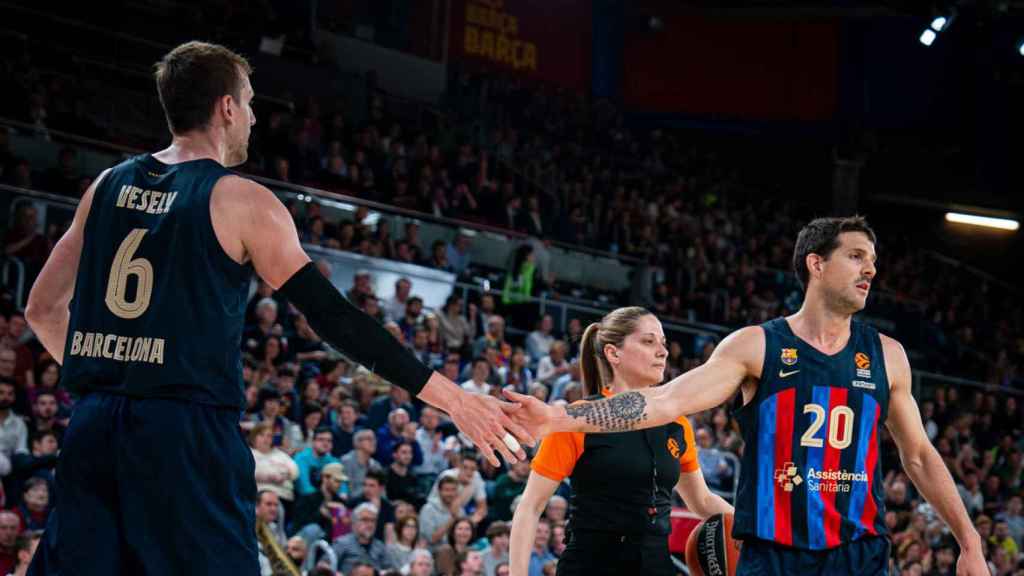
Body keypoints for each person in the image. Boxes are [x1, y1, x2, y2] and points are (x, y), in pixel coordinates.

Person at [23, 41, 532, 575]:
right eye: (248, 101)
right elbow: (335, 319)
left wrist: (110, 379)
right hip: (184, 434)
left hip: (94, 425)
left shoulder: (106, 185)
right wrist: (453, 399)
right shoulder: (240, 200)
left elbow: (41, 308)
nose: (253, 116)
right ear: (225, 108)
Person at [509, 216, 988, 576]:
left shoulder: (888, 356)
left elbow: (919, 455)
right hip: (773, 552)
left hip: (858, 551)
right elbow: (665, 402)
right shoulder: (756, 346)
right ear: (816, 264)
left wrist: (969, 542)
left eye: (874, 261)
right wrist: (559, 416)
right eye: (857, 256)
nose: (871, 270)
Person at [509, 307, 732, 575]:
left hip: (655, 565)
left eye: (662, 343)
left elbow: (703, 502)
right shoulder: (575, 420)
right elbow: (530, 506)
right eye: (649, 342)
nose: (663, 351)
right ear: (613, 353)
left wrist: (758, 530)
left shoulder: (678, 425)